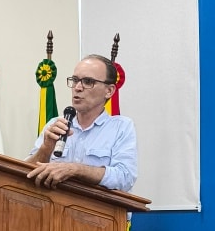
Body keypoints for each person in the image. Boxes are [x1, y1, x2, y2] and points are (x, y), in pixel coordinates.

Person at [27, 54, 137, 192]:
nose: (78, 87)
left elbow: (125, 178)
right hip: (52, 203)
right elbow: (26, 172)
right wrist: (46, 148)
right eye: (75, 80)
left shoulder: (121, 127)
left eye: (88, 81)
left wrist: (75, 169)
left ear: (109, 91)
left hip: (96, 205)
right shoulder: (56, 124)